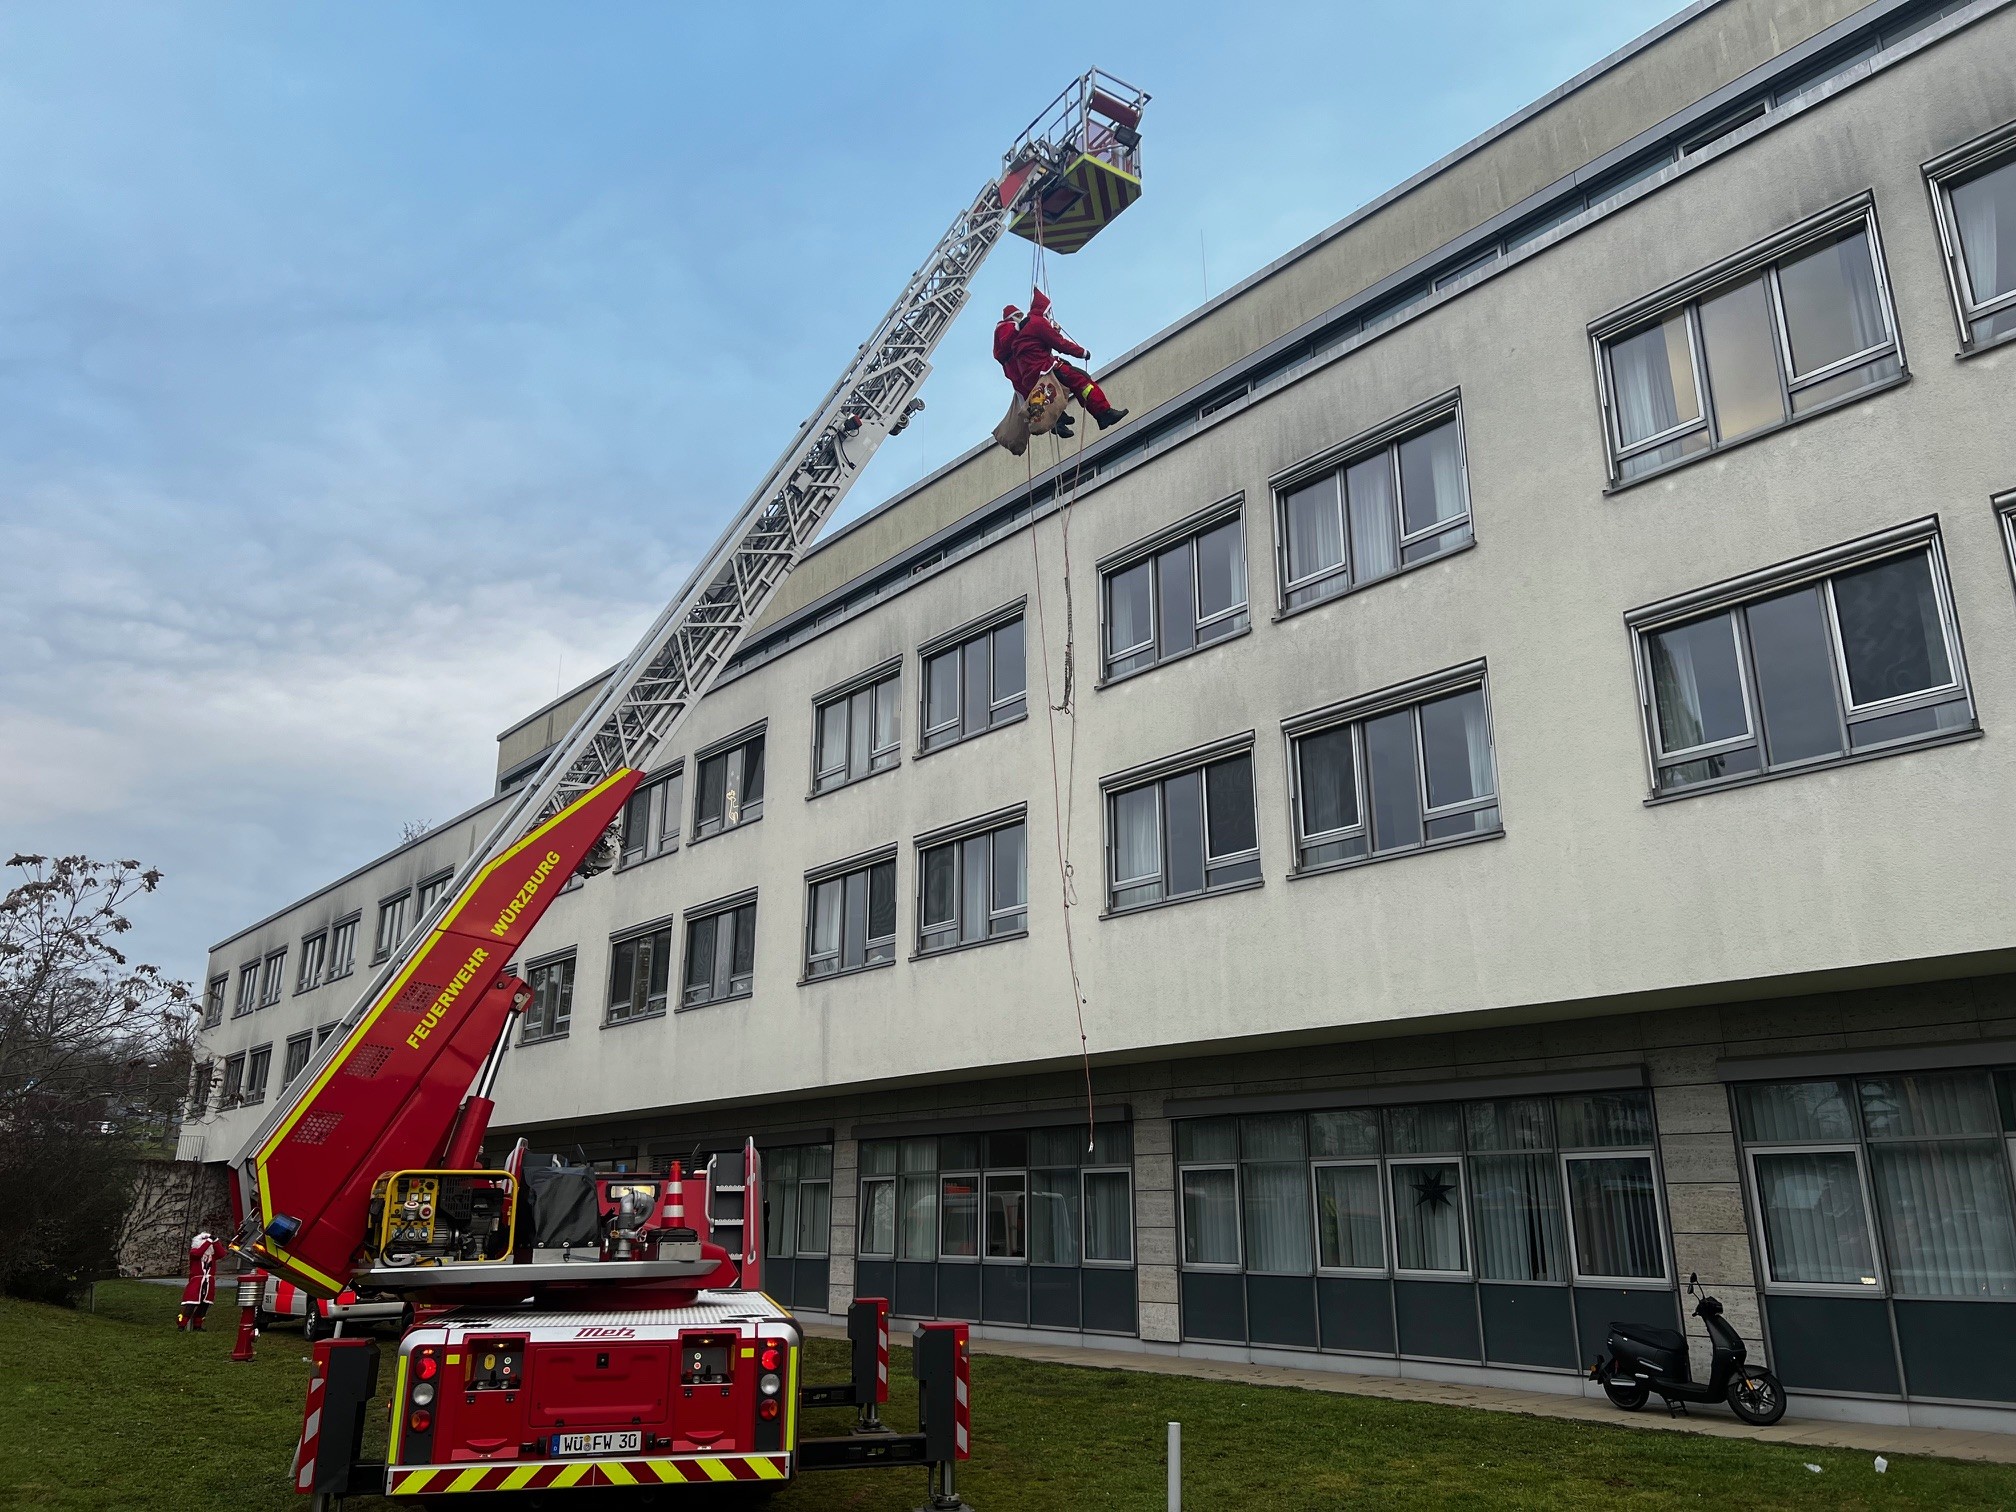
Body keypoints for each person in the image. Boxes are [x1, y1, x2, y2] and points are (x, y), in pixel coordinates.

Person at [993, 290, 1128, 437]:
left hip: (1031, 376)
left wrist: (1051, 331)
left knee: (1050, 397)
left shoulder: (1027, 329)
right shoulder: (1032, 324)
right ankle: (1103, 413)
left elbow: (1037, 343)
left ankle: (1059, 422)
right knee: (1080, 379)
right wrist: (1082, 352)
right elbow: (1060, 344)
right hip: (1043, 369)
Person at [177, 1229, 219, 1331]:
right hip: (197, 1281)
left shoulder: (211, 1256)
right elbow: (198, 1253)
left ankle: (198, 1325)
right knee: (191, 1303)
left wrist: (216, 1241)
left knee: (205, 1304)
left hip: (208, 1281)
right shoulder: (194, 1252)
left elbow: (221, 1253)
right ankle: (182, 1324)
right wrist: (208, 1241)